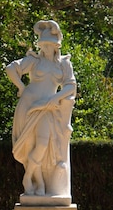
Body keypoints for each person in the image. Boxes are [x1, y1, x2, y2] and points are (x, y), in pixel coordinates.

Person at [5, 20, 76, 198]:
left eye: (49, 45)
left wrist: (55, 98)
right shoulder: (34, 61)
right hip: (28, 105)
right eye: (43, 44)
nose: (46, 48)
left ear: (56, 46)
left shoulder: (63, 64)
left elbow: (70, 86)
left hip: (47, 108)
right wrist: (21, 87)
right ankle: (39, 183)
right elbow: (11, 68)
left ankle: (28, 177)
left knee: (43, 143)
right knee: (29, 145)